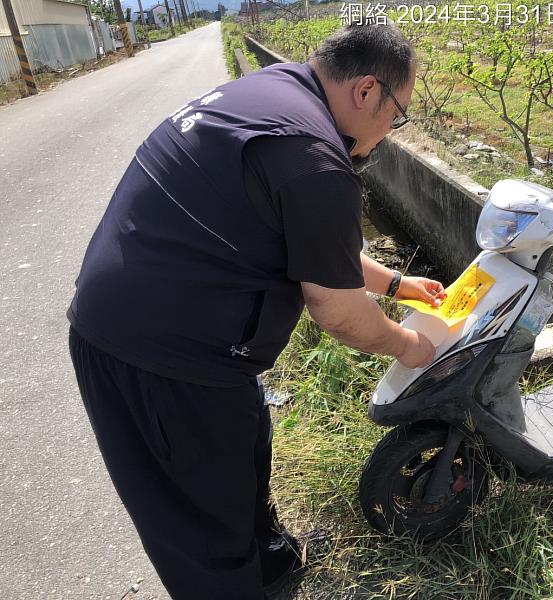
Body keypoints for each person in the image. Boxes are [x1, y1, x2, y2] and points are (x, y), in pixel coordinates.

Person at [67, 22, 441, 599]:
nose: (393, 129)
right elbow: (337, 312)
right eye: (399, 112)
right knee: (202, 524)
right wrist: (415, 347)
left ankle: (267, 562)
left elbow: (309, 243)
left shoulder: (272, 93)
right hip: (167, 359)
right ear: (366, 91)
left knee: (236, 460)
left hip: (131, 323)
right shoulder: (314, 155)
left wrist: (397, 284)